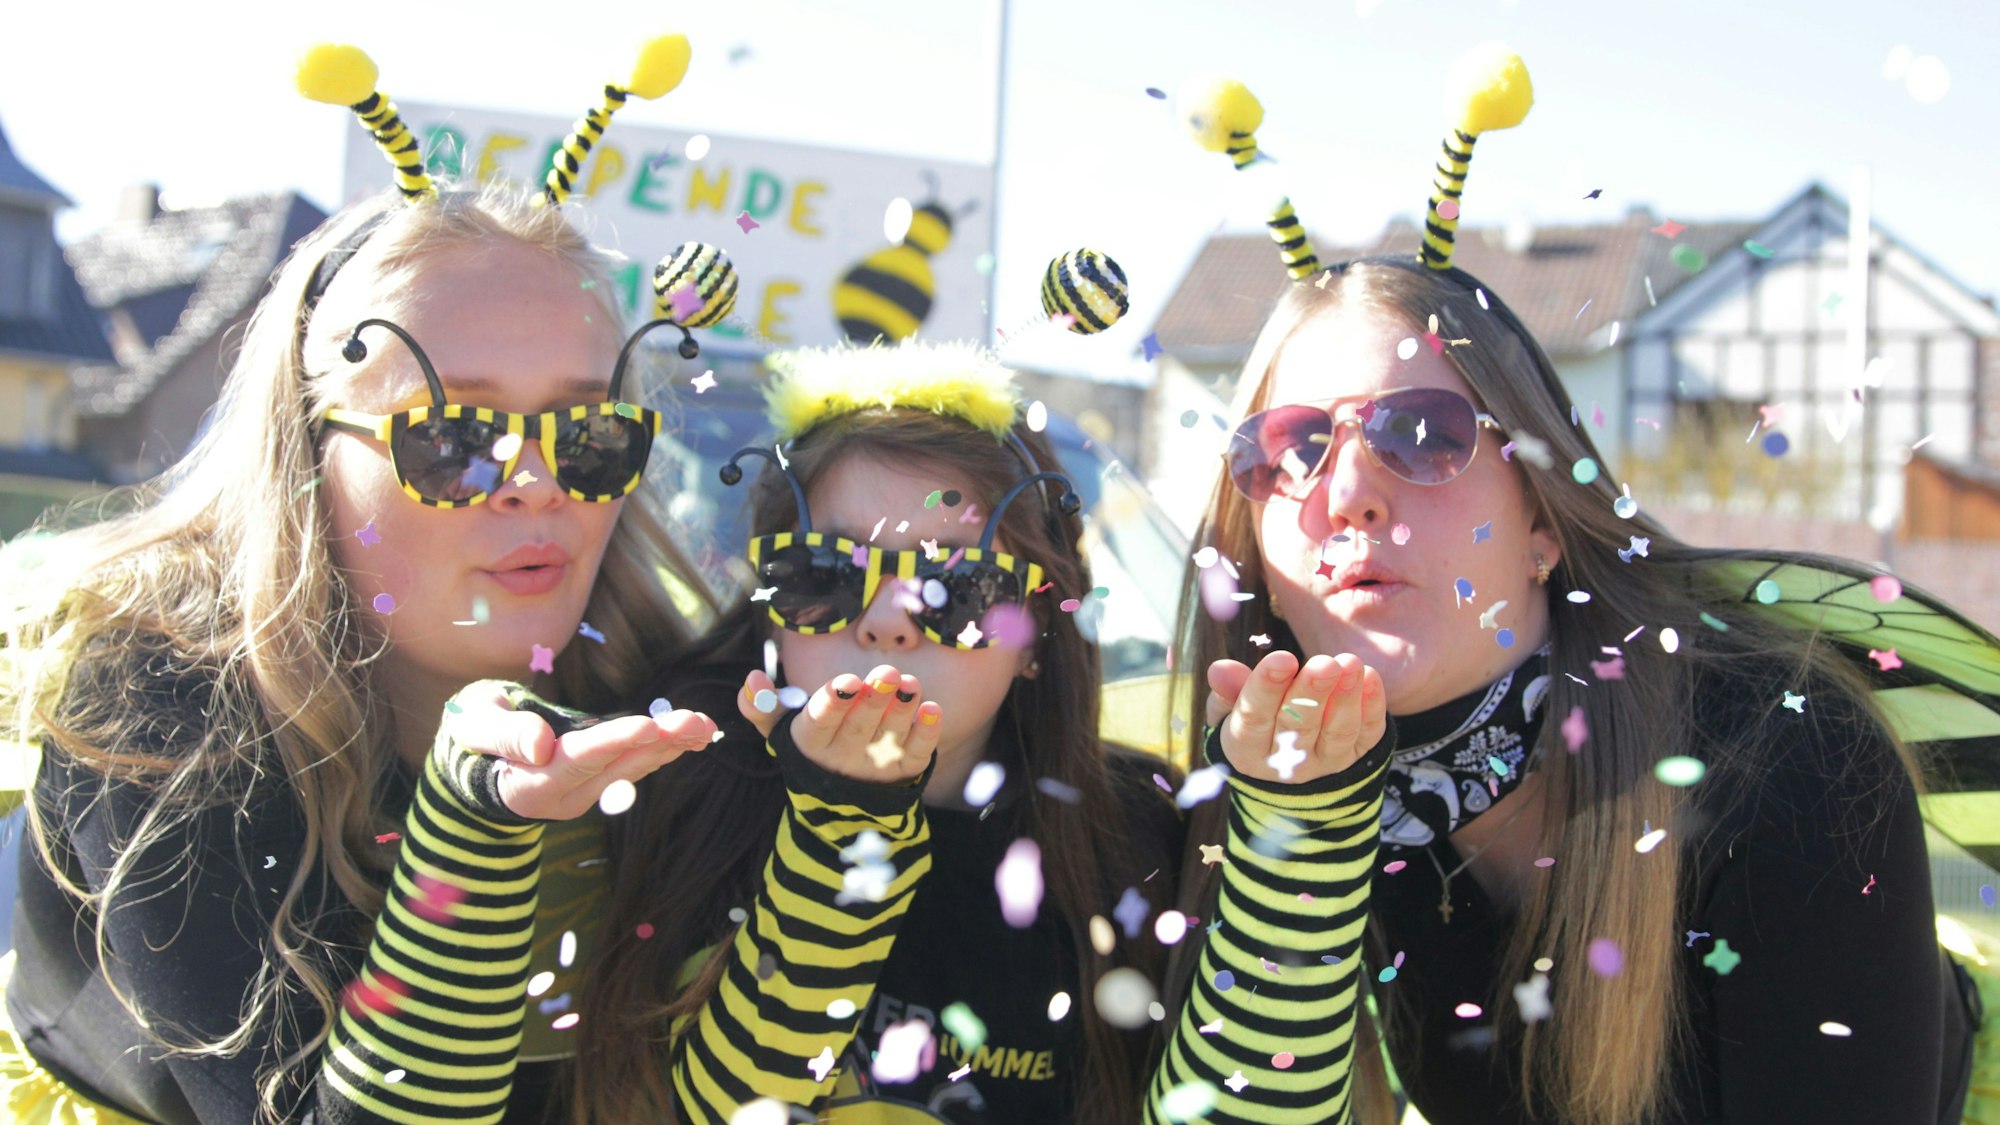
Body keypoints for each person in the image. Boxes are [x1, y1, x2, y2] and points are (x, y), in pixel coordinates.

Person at [0, 38, 745, 1123]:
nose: (538, 485)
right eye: (455, 436)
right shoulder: (155, 702)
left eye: (587, 434)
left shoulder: (677, 703)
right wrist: (479, 839)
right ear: (307, 450)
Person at [1175, 252, 1981, 1124]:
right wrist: (1294, 843)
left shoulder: (1792, 763)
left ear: (1543, 520)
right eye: (1292, 446)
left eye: (1420, 434)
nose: (1346, 494)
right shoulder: (1284, 794)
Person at [533, 338, 1393, 1125]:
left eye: (958, 587)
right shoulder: (682, 787)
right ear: (770, 608)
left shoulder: (1134, 839)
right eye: (824, 573)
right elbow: (720, 1106)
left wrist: (1304, 825)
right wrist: (846, 820)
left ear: (1035, 639)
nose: (887, 624)